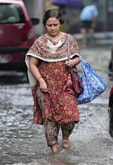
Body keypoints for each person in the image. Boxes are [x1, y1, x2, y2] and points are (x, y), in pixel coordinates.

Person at [26, 9, 81, 153]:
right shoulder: (40, 42)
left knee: (70, 115)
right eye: (49, 25)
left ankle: (66, 137)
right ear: (45, 25)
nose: (53, 28)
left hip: (66, 85)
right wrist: (40, 81)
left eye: (55, 25)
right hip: (46, 86)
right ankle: (54, 152)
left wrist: (73, 62)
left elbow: (78, 57)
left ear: (60, 24)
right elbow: (32, 64)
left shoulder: (69, 40)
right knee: (49, 119)